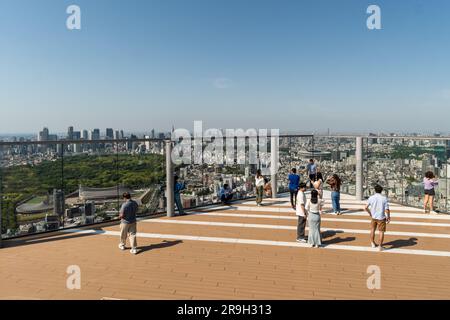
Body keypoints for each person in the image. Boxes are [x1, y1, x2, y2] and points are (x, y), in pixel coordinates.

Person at [365, 185, 391, 251]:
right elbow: (387, 209)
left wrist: (370, 213)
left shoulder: (371, 198)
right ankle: (380, 246)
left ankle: (372, 243)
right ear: (381, 191)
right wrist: (388, 217)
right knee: (381, 232)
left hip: (373, 217)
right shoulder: (384, 198)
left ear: (375, 190)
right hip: (381, 217)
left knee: (372, 230)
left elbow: (365, 207)